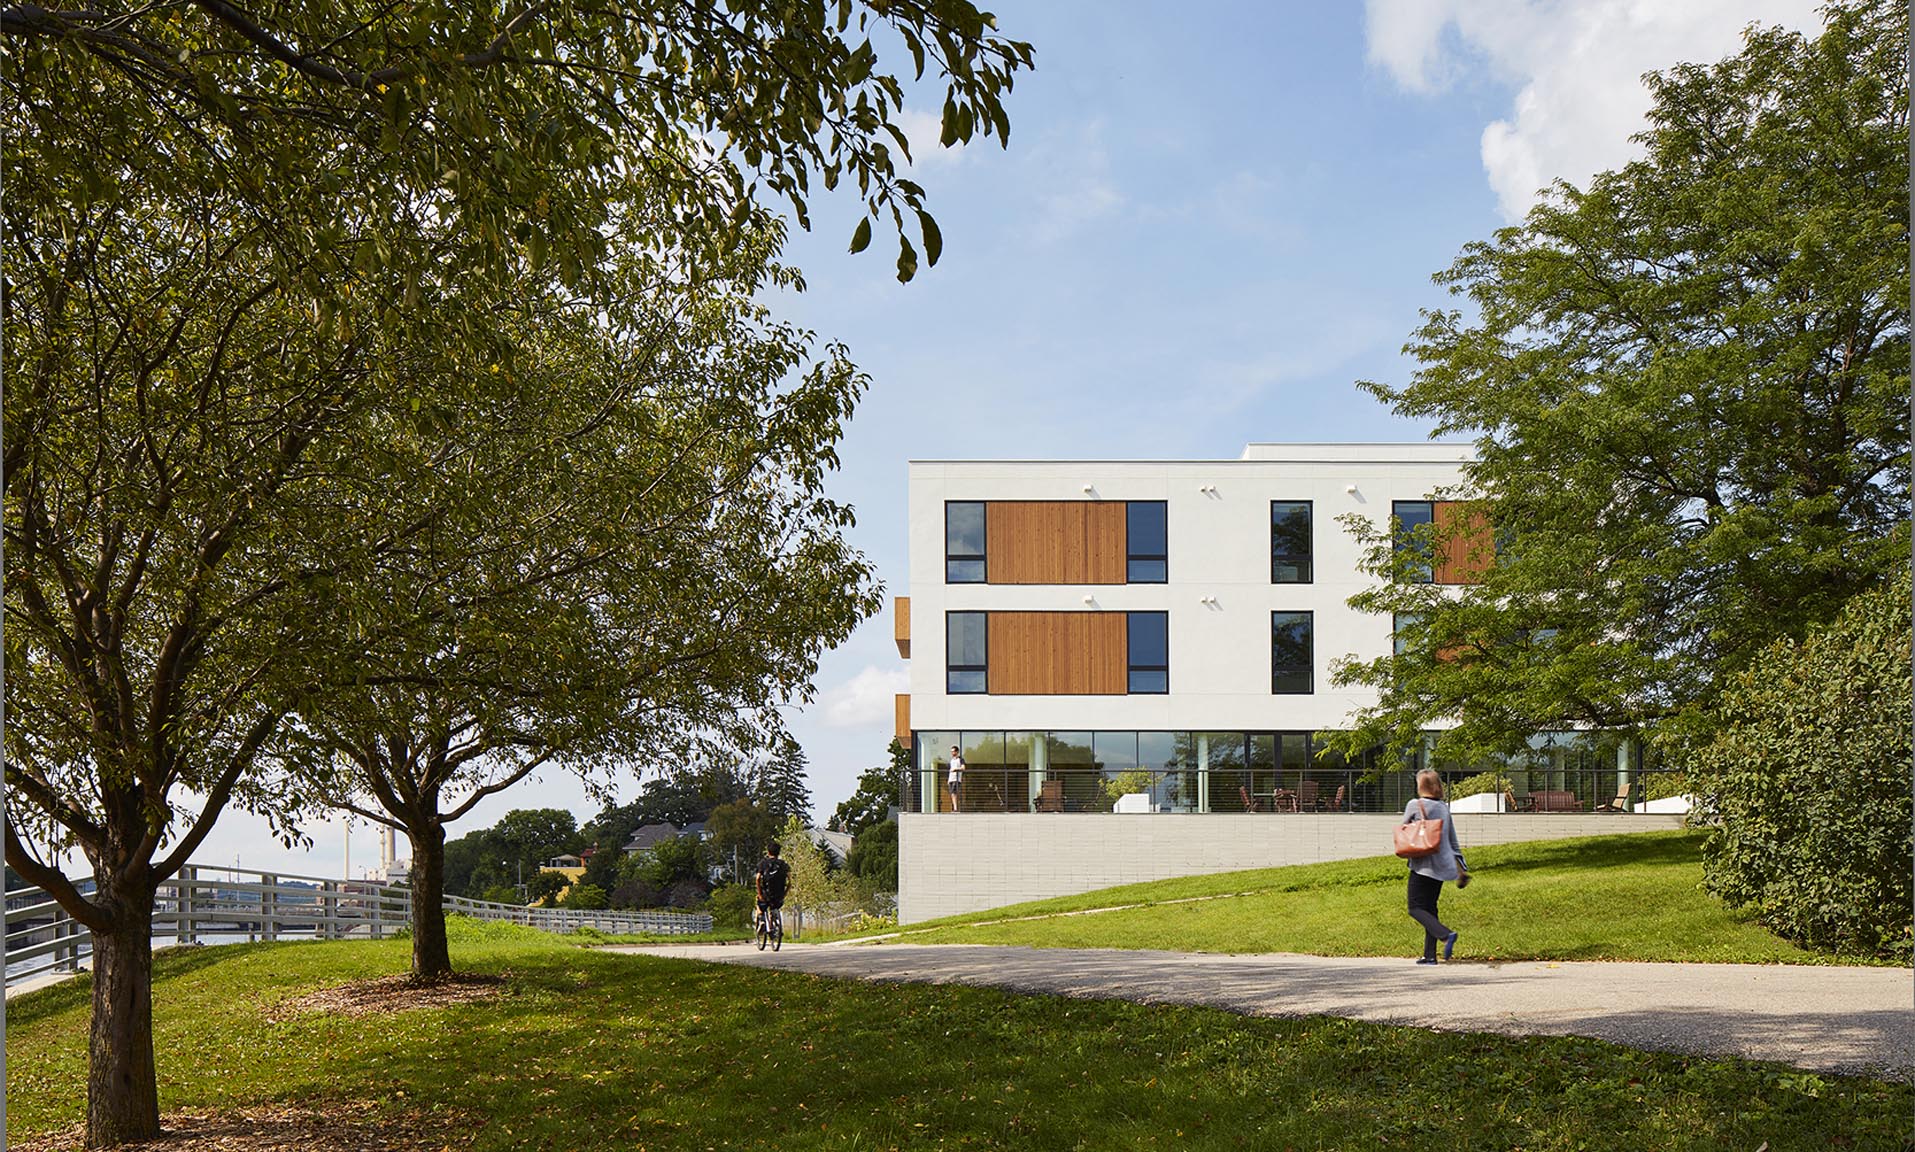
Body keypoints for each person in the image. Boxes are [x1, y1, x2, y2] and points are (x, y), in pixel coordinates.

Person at [1402, 768, 1468, 964]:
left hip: (1423, 864)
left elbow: (1404, 828)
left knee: (1415, 908)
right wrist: (1461, 867)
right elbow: (1452, 840)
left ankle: (1446, 935)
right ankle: (1429, 955)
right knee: (1430, 908)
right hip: (1442, 866)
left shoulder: (1414, 805)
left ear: (1420, 786)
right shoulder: (1443, 808)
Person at [753, 841, 790, 932]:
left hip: (766, 894)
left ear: (768, 852)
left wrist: (760, 893)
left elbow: (758, 878)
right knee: (774, 907)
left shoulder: (763, 863)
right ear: (779, 852)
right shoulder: (783, 864)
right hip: (779, 895)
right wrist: (784, 894)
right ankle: (773, 924)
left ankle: (761, 919)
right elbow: (790, 881)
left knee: (759, 903)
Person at [947, 744, 966, 812]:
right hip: (951, 779)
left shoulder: (960, 759)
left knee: (954, 793)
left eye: (953, 751)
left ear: (957, 752)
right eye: (951, 751)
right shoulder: (951, 760)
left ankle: (955, 808)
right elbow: (950, 770)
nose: (952, 753)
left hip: (956, 779)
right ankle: (955, 807)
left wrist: (956, 769)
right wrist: (948, 780)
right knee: (952, 794)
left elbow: (963, 768)